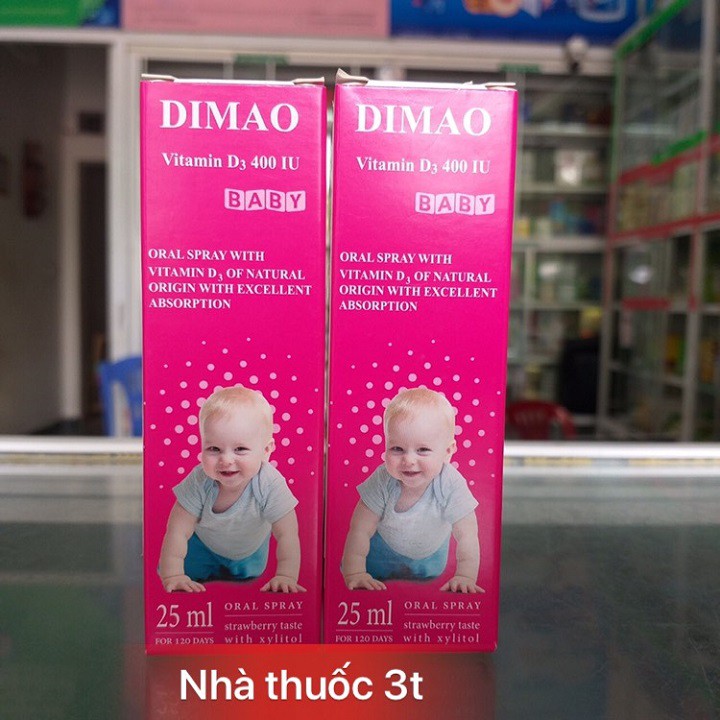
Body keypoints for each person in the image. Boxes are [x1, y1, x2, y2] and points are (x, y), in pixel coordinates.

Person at [158, 386, 304, 593]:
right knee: (189, 572)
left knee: (246, 582)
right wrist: (173, 574)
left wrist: (286, 576)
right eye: (214, 449)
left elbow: (288, 533)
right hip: (203, 548)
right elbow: (177, 530)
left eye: (240, 449)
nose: (226, 460)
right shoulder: (199, 481)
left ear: (266, 450)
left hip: (250, 555)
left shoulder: (269, 483)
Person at [341, 387, 482, 593]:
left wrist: (465, 576)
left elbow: (467, 534)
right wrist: (354, 572)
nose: (408, 460)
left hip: (430, 560)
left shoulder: (450, 483)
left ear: (448, 452)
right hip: (381, 554)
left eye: (422, 450)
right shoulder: (383, 480)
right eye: (397, 449)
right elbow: (360, 528)